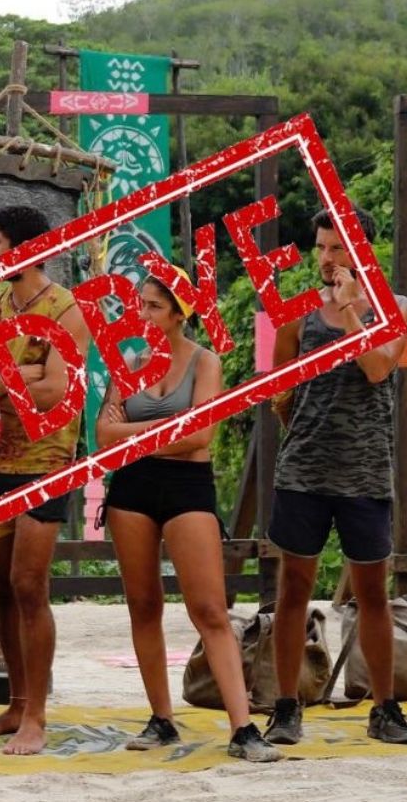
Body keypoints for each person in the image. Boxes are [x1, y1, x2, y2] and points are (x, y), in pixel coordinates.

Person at [97, 269, 283, 762]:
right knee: (143, 605)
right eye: (139, 304)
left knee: (209, 610)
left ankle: (242, 727)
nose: (142, 315)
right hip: (132, 488)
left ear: (179, 314)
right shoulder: (128, 363)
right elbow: (103, 437)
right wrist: (166, 431)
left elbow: (201, 435)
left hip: (187, 486)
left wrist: (136, 435)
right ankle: (161, 719)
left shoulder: (205, 361)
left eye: (154, 306)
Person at [264, 206, 407, 746]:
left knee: (372, 593)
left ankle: (385, 707)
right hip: (303, 473)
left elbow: (377, 368)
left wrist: (352, 308)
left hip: (366, 473)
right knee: (293, 589)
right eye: (321, 248)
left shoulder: (397, 308)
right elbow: (279, 392)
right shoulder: (297, 313)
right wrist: (304, 435)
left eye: (338, 248)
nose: (327, 259)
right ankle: (286, 707)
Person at [0, 205, 89, 755]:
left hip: (46, 462)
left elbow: (56, 392)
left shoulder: (68, 311)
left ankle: (36, 715)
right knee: (1, 588)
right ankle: (15, 704)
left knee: (30, 585)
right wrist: (22, 373)